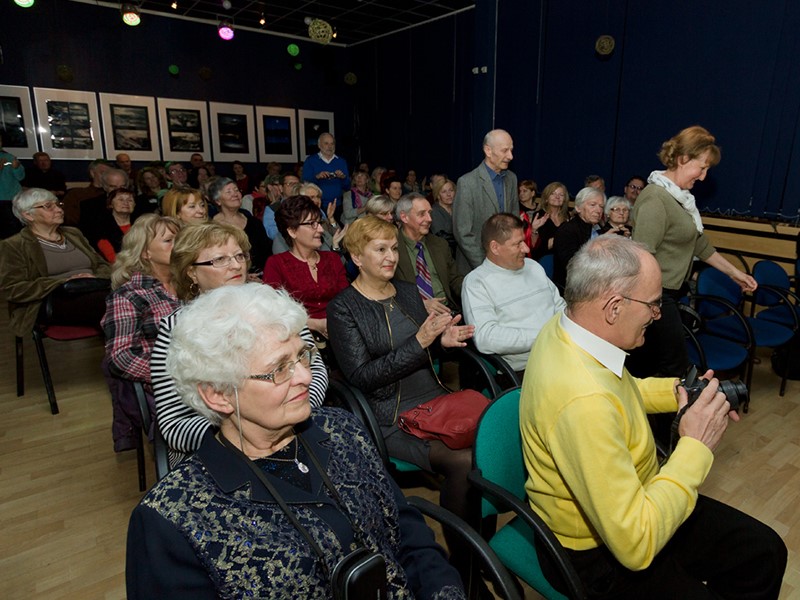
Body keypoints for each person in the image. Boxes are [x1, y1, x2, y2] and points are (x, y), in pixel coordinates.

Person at [128, 283, 466, 599]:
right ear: (218, 395)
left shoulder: (343, 430)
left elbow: (406, 531)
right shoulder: (171, 520)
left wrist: (445, 592)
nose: (305, 376)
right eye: (279, 369)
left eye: (301, 356)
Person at [520, 235, 787, 598]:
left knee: (764, 551)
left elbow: (621, 392)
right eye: (653, 304)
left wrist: (678, 392)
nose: (657, 315)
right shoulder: (582, 401)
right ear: (614, 307)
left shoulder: (571, 328)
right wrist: (694, 445)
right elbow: (636, 544)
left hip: (636, 501)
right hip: (596, 553)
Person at [327, 216, 478, 580]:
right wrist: (422, 341)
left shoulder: (409, 291)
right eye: (380, 249)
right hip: (389, 415)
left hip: (434, 398)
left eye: (394, 248)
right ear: (356, 256)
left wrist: (443, 343)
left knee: (491, 439)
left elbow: (424, 353)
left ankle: (478, 540)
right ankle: (465, 566)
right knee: (464, 460)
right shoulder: (343, 307)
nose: (391, 256)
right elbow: (363, 378)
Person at [152, 223, 329, 468]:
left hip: (296, 428)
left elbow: (316, 371)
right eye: (220, 260)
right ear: (191, 272)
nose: (236, 265)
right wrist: (247, 434)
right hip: (218, 451)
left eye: (239, 256)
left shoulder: (275, 305)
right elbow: (174, 424)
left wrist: (292, 413)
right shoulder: (176, 329)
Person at [629, 125, 757, 378]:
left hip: (669, 295)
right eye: (703, 167)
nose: (703, 176)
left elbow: (700, 245)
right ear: (683, 159)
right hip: (654, 295)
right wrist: (652, 305)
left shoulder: (680, 199)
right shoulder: (656, 199)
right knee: (671, 366)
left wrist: (735, 274)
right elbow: (641, 257)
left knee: (650, 365)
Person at [101, 215, 182, 451]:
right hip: (169, 386)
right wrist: (179, 372)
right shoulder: (129, 295)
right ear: (146, 253)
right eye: (169, 240)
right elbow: (121, 357)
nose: (178, 245)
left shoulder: (191, 283)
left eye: (180, 239)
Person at [461, 213, 565, 375]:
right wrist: (545, 335)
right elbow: (486, 338)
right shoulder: (477, 283)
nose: (526, 248)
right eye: (518, 244)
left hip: (560, 352)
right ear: (495, 247)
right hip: (526, 369)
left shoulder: (533, 267)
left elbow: (560, 307)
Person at [0, 188, 110, 338]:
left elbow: (103, 265)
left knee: (133, 297)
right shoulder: (14, 245)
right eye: (48, 206)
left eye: (58, 204)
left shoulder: (74, 234)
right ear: (28, 215)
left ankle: (127, 354)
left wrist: (92, 277)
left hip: (93, 289)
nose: (58, 210)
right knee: (113, 304)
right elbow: (13, 289)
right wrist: (63, 282)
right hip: (51, 301)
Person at [263, 195, 348, 339]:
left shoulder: (332, 259)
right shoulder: (276, 264)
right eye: (312, 224)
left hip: (341, 332)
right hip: (299, 337)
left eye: (319, 222)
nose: (320, 229)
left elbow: (347, 301)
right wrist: (314, 324)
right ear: (292, 231)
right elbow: (274, 313)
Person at [453, 129, 519, 271]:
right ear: (488, 151)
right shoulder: (467, 183)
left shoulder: (512, 179)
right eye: (505, 150)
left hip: (506, 263)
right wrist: (487, 266)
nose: (510, 156)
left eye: (511, 150)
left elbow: (514, 222)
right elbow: (463, 233)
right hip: (475, 266)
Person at [394, 193, 463, 314]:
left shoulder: (440, 244)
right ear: (404, 217)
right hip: (411, 317)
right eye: (422, 214)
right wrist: (419, 305)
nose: (429, 219)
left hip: (446, 312)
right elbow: (384, 290)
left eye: (429, 213)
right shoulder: (391, 247)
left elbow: (455, 280)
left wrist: (477, 290)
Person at [208, 176, 271, 274]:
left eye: (236, 190)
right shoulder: (211, 227)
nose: (235, 194)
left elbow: (266, 253)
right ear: (218, 201)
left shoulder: (254, 223)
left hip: (257, 276)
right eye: (228, 192)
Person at [552, 186, 605, 290]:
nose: (598, 210)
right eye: (592, 205)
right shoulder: (567, 230)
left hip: (595, 283)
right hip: (572, 287)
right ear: (578, 208)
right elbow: (572, 266)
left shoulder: (600, 230)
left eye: (601, 206)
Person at [301, 132, 350, 214]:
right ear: (319, 145)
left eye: (332, 143)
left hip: (337, 205)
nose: (330, 146)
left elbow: (347, 186)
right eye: (326, 143)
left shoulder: (341, 161)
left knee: (336, 226)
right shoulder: (310, 160)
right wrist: (317, 177)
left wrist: (343, 177)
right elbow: (304, 183)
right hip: (316, 205)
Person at [94, 187, 137, 262]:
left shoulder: (141, 225)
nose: (126, 203)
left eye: (130, 200)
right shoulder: (102, 228)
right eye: (121, 199)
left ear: (134, 205)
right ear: (110, 204)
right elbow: (113, 259)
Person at [62, 158, 110, 226]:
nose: (107, 177)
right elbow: (69, 218)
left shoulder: (113, 195)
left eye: (109, 174)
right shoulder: (76, 195)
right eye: (103, 173)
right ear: (92, 173)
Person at [530, 181, 570, 261]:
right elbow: (536, 247)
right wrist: (534, 229)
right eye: (553, 194)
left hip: (562, 258)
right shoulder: (539, 215)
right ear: (546, 199)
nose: (557, 197)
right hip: (544, 258)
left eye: (561, 195)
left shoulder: (566, 216)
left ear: (564, 199)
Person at [0, 133, 26, 238]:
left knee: (16, 229)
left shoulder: (8, 156)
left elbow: (21, 177)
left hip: (13, 198)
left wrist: (16, 168)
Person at [262, 171, 300, 240]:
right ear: (281, 188)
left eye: (297, 184)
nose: (295, 187)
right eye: (290, 184)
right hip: (284, 243)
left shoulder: (308, 205)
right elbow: (272, 233)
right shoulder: (273, 208)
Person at [430, 177, 458, 259]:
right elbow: (441, 237)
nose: (449, 194)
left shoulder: (458, 209)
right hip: (442, 255)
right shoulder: (434, 211)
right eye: (444, 192)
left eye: (451, 190)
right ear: (438, 195)